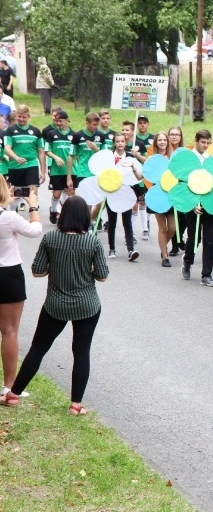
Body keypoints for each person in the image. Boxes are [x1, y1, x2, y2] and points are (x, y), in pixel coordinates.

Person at [0, 195, 109, 415]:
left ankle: (13, 394)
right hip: (87, 305)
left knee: (38, 349)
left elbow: (37, 271)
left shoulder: (51, 239)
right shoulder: (92, 241)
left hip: (55, 305)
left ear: (63, 215)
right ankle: (76, 405)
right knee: (81, 351)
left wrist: (54, 268)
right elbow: (102, 276)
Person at [0, 176, 42, 396]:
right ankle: (9, 385)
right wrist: (33, 205)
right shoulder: (9, 217)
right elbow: (34, 231)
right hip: (8, 273)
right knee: (9, 331)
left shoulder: (7, 214)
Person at [182, 130, 213, 287]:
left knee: (210, 239)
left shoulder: (210, 160)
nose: (205, 145)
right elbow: (182, 183)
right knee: (194, 238)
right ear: (196, 141)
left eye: (208, 143)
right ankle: (187, 260)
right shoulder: (188, 160)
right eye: (203, 142)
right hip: (193, 205)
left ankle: (207, 274)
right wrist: (191, 205)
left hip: (208, 204)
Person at [106, 133, 141, 262]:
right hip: (111, 193)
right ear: (114, 143)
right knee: (112, 221)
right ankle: (112, 248)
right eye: (117, 141)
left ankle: (131, 249)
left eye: (122, 141)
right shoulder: (109, 158)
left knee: (127, 221)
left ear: (125, 143)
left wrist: (132, 167)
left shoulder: (130, 158)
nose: (120, 143)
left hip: (126, 193)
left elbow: (138, 178)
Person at [148, 132, 177, 266]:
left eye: (164, 140)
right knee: (163, 228)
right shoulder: (152, 158)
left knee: (172, 228)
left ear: (167, 142)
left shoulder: (173, 158)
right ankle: (165, 257)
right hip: (158, 195)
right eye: (159, 140)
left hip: (171, 195)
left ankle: (163, 246)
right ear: (156, 142)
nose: (162, 142)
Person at [5, 105, 45, 195]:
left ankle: (33, 207)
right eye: (19, 116)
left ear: (29, 117)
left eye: (24, 117)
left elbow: (41, 152)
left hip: (31, 164)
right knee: (16, 194)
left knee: (33, 191)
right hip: (15, 166)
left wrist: (43, 171)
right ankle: (15, 207)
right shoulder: (10, 130)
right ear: (16, 116)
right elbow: (7, 149)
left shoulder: (36, 132)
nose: (21, 119)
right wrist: (16, 158)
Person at [43, 110, 73, 224]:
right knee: (56, 194)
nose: (59, 123)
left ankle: (64, 214)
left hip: (70, 170)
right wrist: (56, 157)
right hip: (57, 169)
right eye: (57, 121)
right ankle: (54, 210)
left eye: (61, 121)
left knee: (69, 192)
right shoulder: (51, 134)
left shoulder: (73, 135)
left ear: (67, 121)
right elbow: (47, 150)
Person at [166, 126, 185, 256]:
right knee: (174, 217)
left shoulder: (184, 151)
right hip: (169, 186)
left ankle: (179, 238)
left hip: (182, 186)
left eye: (177, 134)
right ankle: (174, 245)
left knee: (183, 217)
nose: (174, 136)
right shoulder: (165, 152)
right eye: (171, 134)